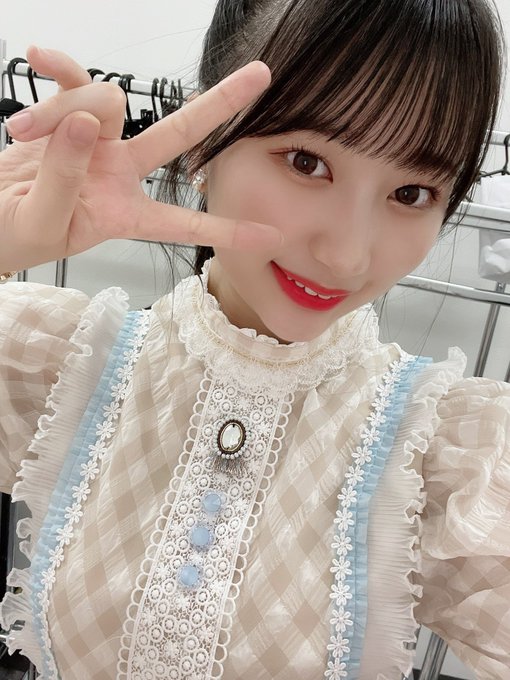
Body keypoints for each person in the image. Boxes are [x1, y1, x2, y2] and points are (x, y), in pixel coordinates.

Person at [0, 0, 509, 678]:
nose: (347, 255)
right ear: (204, 142)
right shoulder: (64, 366)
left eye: (412, 193)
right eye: (306, 161)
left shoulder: (444, 456)